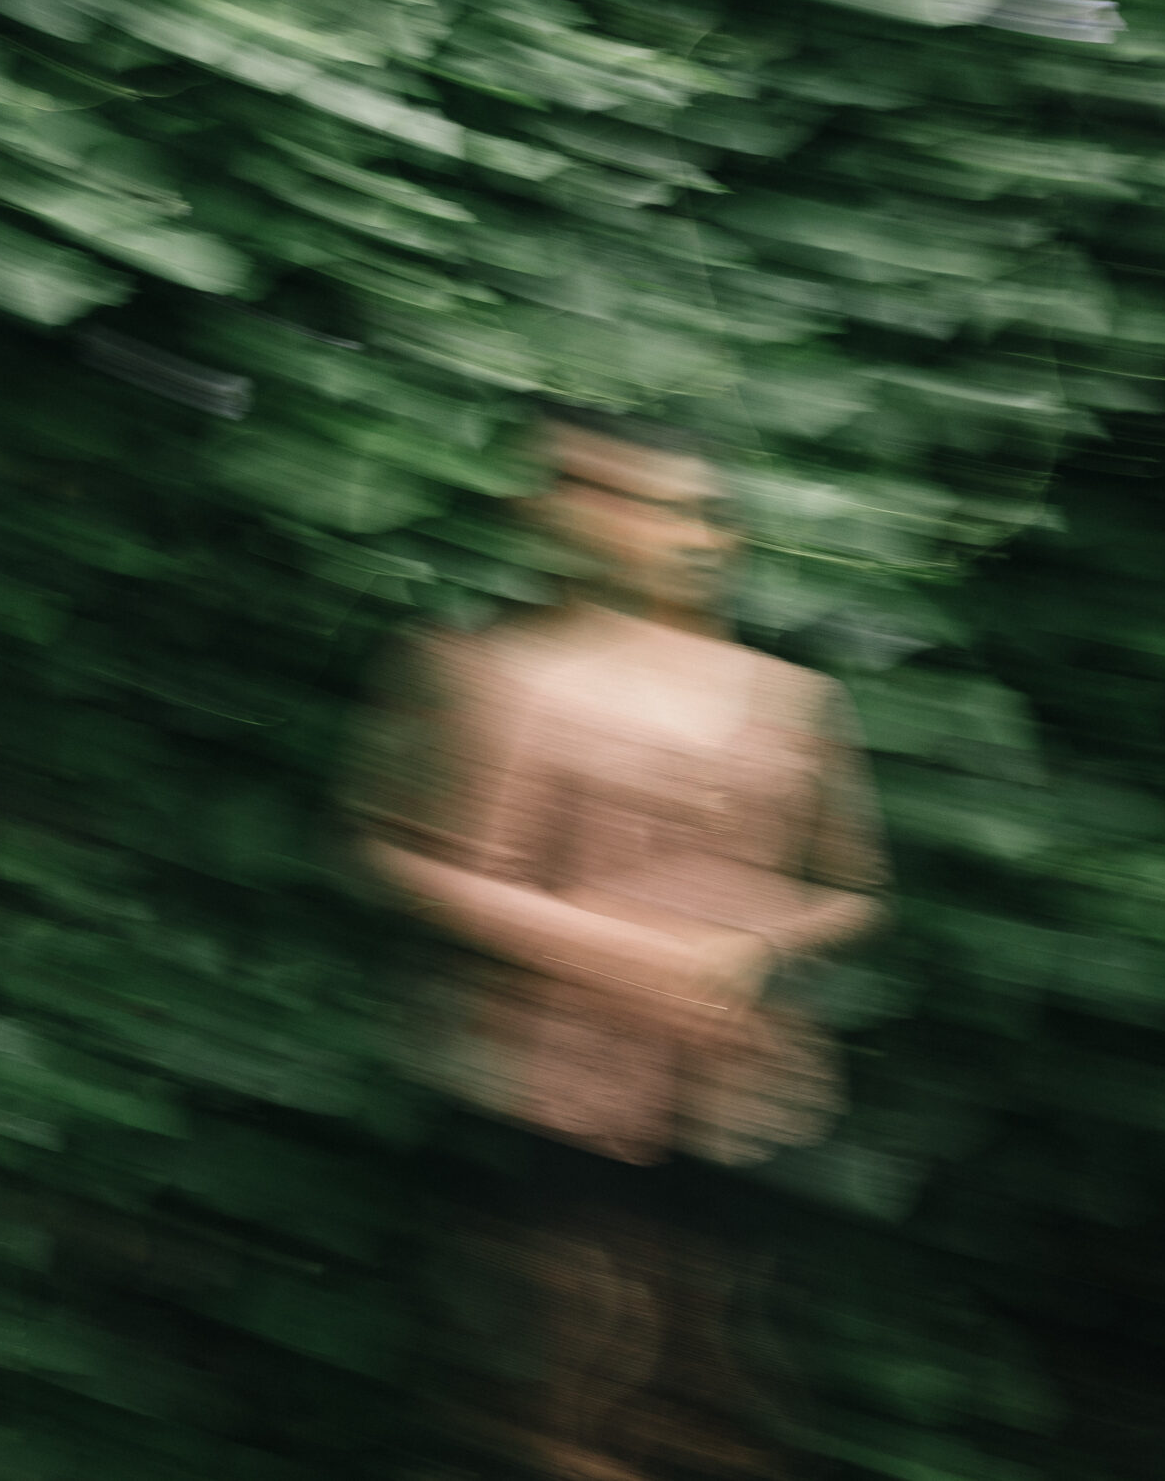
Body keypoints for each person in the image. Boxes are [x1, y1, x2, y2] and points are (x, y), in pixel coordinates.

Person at [353, 408, 886, 1481]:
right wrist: (628, 954)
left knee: (726, 1350)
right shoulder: (479, 670)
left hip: (744, 1081)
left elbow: (854, 890)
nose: (663, 529)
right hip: (550, 1075)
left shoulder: (795, 698)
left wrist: (755, 952)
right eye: (612, 496)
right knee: (569, 1350)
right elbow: (404, 856)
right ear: (548, 509)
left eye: (688, 508)